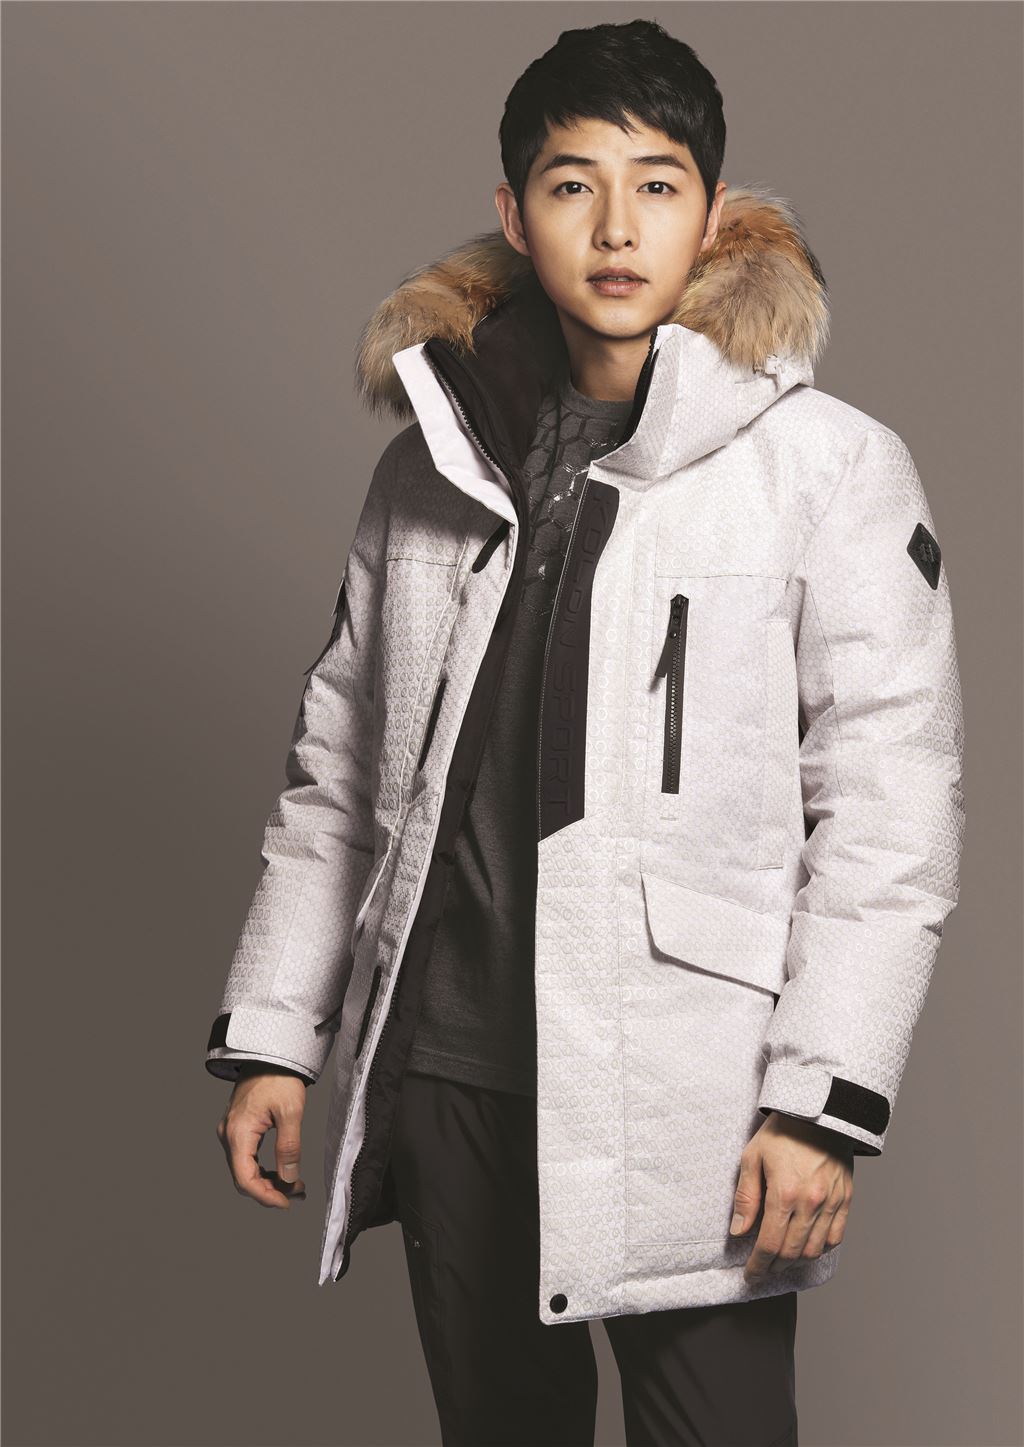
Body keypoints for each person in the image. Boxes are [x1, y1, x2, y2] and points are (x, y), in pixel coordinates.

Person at [205, 19, 965, 1446]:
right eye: (572, 186)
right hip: (450, 1079)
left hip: (688, 1089)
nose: (617, 229)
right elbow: (337, 782)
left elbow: (890, 815)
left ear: (715, 214)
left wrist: (823, 1105)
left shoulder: (829, 470)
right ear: (514, 214)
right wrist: (275, 1039)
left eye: (657, 185)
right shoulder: (427, 470)